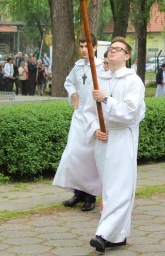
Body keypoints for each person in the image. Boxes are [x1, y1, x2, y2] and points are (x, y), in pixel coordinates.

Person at [84, 37, 145, 253]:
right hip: (103, 138)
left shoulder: (133, 81)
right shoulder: (98, 78)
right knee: (109, 188)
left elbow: (131, 113)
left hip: (121, 138)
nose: (113, 52)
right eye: (111, 49)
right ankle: (118, 237)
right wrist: (95, 128)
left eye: (118, 50)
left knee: (120, 187)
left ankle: (103, 233)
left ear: (127, 56)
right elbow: (88, 111)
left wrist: (106, 100)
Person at [53, 36, 104, 213]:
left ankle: (90, 196)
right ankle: (79, 192)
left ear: (95, 47)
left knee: (89, 156)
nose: (84, 49)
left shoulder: (101, 68)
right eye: (81, 46)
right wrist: (74, 95)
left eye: (87, 46)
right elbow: (69, 82)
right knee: (73, 153)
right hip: (79, 114)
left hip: (94, 116)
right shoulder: (78, 66)